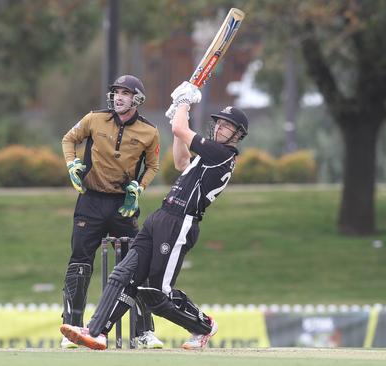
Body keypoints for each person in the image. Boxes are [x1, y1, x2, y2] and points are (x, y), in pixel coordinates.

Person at [59, 81, 249, 350]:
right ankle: (96, 331)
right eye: (219, 123)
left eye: (227, 126)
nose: (220, 128)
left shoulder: (221, 154)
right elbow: (182, 160)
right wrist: (177, 117)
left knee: (156, 292)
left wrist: (183, 104)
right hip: (161, 216)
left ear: (237, 135)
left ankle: (203, 326)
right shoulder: (206, 155)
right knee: (123, 274)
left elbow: (181, 129)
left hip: (181, 223)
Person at [60, 74, 164, 349]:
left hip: (123, 207)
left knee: (137, 266)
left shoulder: (149, 132)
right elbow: (68, 140)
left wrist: (138, 189)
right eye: (116, 92)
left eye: (125, 93)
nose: (118, 97)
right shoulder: (94, 119)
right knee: (80, 263)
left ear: (137, 99)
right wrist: (71, 165)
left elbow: (153, 166)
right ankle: (71, 326)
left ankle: (144, 331)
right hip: (90, 201)